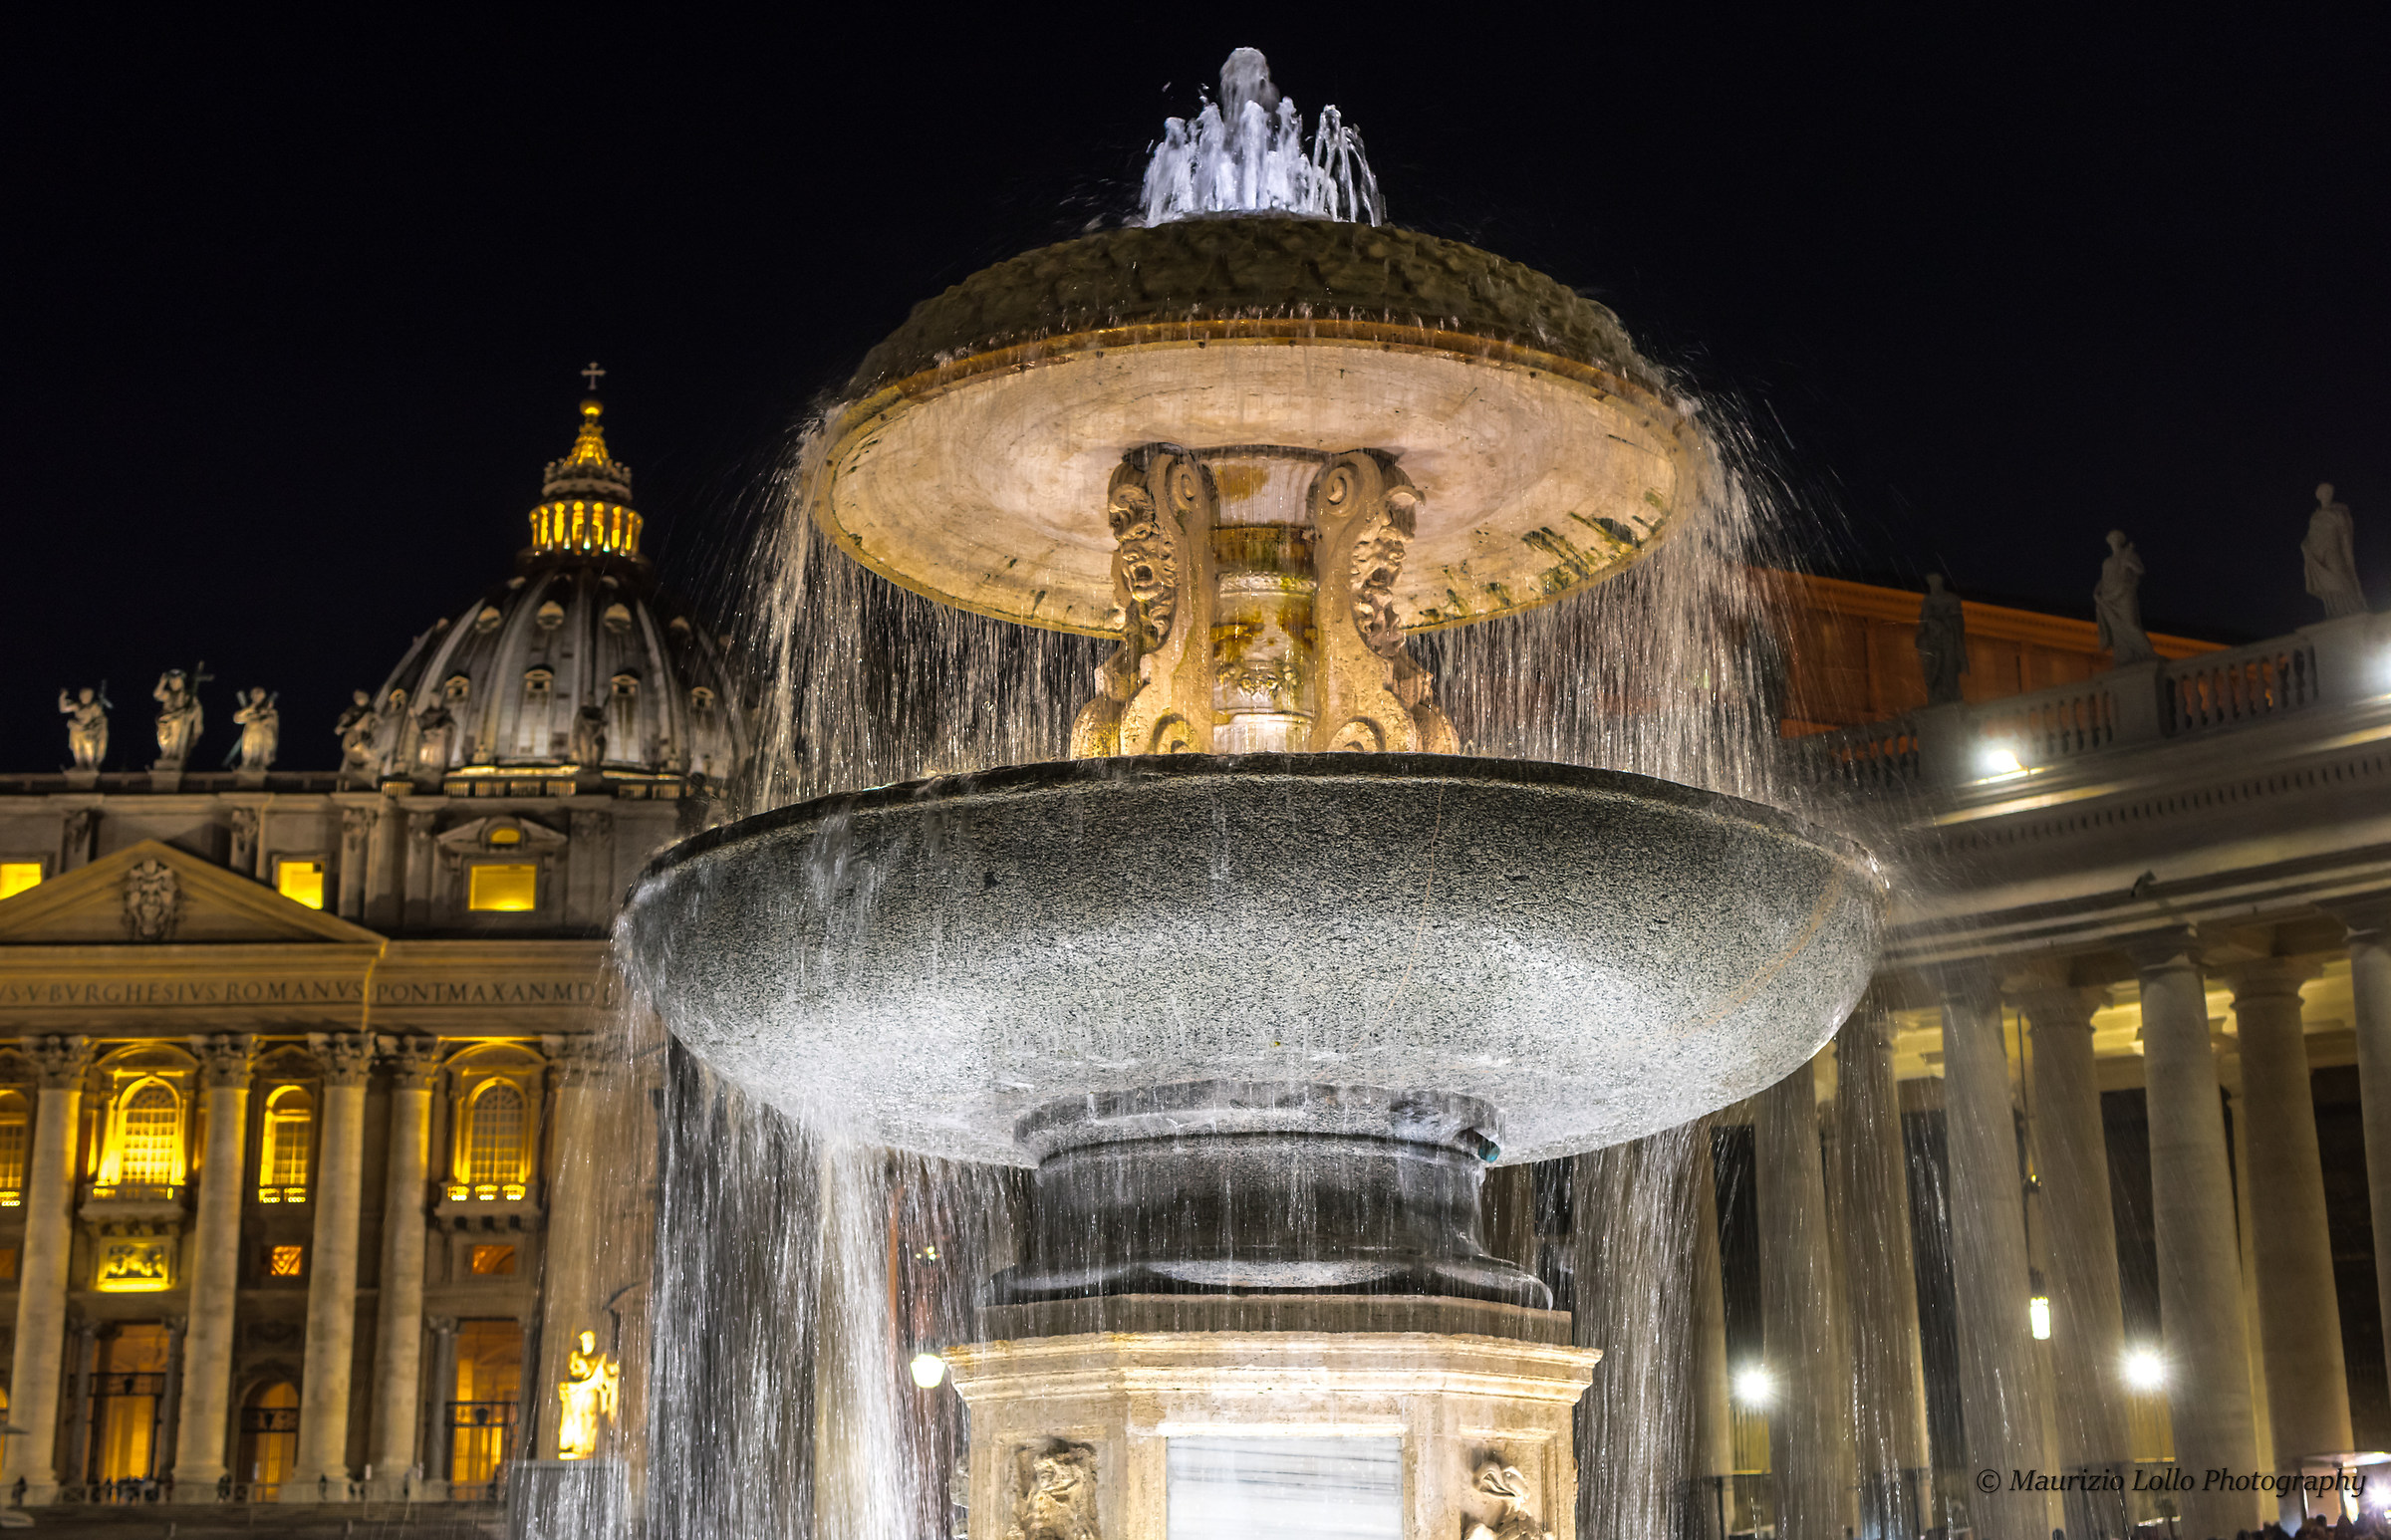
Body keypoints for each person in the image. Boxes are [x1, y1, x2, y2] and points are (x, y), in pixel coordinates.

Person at [2302, 482, 2369, 619]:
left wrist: (2349, 556)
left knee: (2341, 579)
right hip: (2318, 556)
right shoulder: (2315, 517)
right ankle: (2334, 613)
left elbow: (2345, 535)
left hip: (2334, 551)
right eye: (2324, 492)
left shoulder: (2339, 512)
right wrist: (2306, 546)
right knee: (2328, 587)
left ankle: (2352, 609)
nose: (2328, 494)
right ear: (2319, 495)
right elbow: (2312, 536)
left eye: (2329, 492)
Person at [2094, 530, 2156, 665]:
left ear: (2120, 541)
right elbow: (2103, 580)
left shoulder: (2129, 554)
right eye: (2111, 539)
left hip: (2125, 594)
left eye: (2116, 539)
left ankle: (2147, 653)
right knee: (2117, 629)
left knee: (2131, 624)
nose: (2114, 542)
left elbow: (2140, 570)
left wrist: (2129, 564)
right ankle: (2124, 658)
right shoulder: (2107, 562)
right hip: (2109, 597)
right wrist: (2096, 592)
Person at [1917, 573, 1969, 703]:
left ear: (1940, 583)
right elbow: (1923, 622)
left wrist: (1943, 623)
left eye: (1935, 583)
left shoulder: (1951, 599)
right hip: (1933, 641)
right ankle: (1936, 694)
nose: (1933, 587)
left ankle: (1948, 694)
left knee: (1949, 667)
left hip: (1948, 639)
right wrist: (1927, 631)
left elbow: (1958, 620)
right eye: (1931, 584)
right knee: (1932, 668)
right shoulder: (1927, 601)